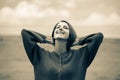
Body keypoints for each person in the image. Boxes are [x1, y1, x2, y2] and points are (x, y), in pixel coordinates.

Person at [21, 20, 104, 80]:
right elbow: (25, 34)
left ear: (70, 34)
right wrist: (46, 39)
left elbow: (98, 37)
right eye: (57, 27)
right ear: (53, 33)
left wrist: (77, 41)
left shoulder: (81, 56)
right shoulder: (39, 55)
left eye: (65, 28)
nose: (60, 29)